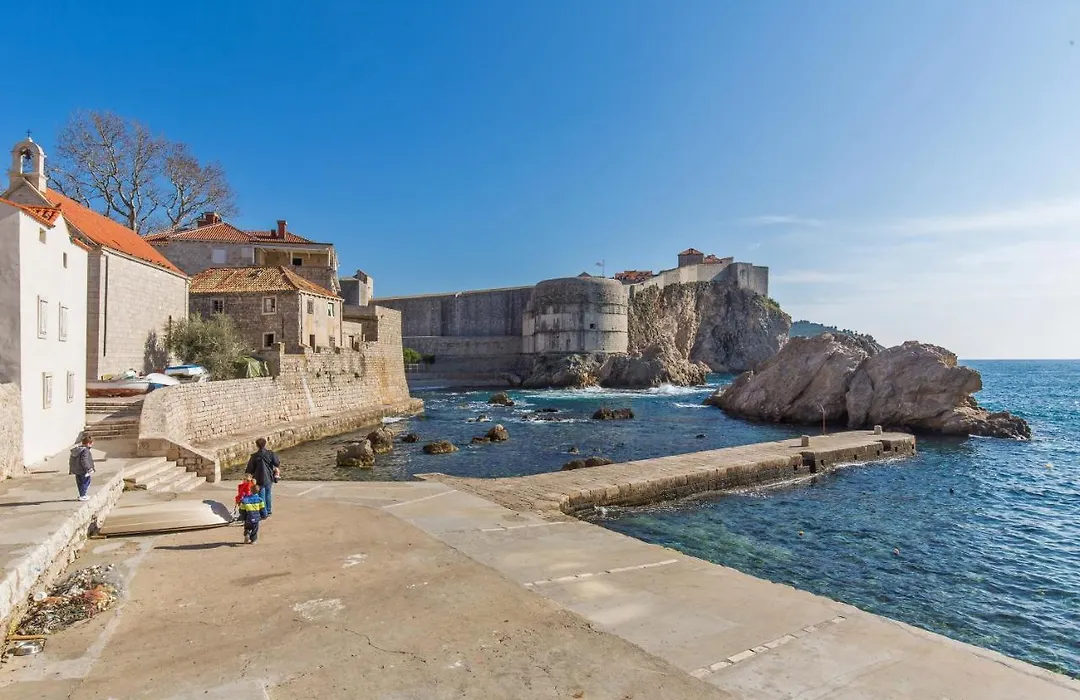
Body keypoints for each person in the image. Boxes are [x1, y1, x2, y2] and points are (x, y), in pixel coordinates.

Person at [244, 438, 280, 518]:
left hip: (259, 478)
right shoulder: (270, 453)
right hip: (269, 477)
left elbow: (250, 469)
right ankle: (268, 510)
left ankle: (263, 512)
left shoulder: (254, 456)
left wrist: (248, 477)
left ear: (257, 445)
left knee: (261, 496)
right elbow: (277, 463)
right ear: (265, 444)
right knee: (268, 494)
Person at [68, 435, 95, 501]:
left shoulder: (77, 449)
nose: (92, 445)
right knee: (86, 482)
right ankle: (83, 495)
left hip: (77, 470)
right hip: (83, 470)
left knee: (79, 483)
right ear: (88, 444)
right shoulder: (85, 450)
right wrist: (89, 468)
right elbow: (84, 460)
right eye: (91, 444)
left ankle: (82, 495)